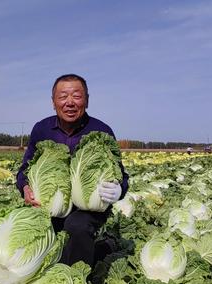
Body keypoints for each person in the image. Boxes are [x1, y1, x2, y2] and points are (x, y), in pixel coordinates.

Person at [16, 74, 129, 268]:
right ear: (53, 102)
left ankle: (78, 279)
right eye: (62, 97)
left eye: (76, 96)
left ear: (86, 100)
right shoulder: (42, 129)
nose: (69, 102)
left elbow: (122, 175)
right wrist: (24, 186)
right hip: (49, 203)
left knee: (76, 226)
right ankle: (101, 249)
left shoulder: (102, 131)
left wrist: (119, 190)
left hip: (87, 206)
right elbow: (25, 169)